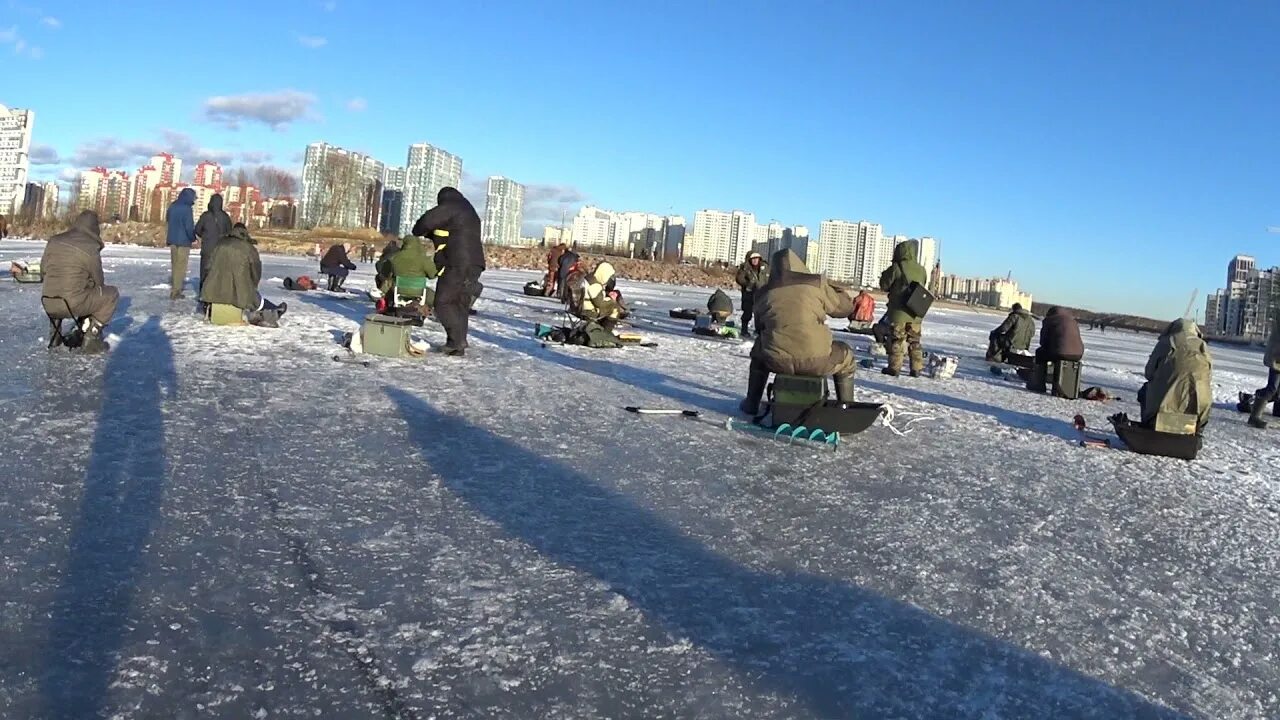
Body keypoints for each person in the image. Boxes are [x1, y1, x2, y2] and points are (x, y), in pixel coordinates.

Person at [741, 249, 856, 414]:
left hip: (776, 360)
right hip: (818, 360)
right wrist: (834, 290)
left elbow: (760, 327)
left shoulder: (763, 292)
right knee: (846, 356)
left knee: (759, 351)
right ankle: (846, 408)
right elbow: (845, 309)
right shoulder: (816, 284)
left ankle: (751, 403)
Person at [412, 186, 485, 356]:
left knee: (443, 302)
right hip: (475, 263)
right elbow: (454, 232)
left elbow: (426, 221)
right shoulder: (469, 211)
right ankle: (457, 343)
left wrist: (419, 231)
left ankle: (456, 341)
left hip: (458, 262)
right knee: (459, 304)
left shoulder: (452, 206)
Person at [40, 210, 118, 353]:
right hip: (72, 303)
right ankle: (91, 337)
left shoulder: (54, 240)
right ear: (95, 228)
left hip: (48, 302)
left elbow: (43, 270)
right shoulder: (90, 246)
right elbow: (99, 281)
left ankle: (55, 335)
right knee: (111, 294)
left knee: (59, 287)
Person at [200, 224, 287, 327]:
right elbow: (256, 272)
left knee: (245, 293)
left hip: (214, 290)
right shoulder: (248, 248)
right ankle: (272, 310)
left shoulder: (220, 245)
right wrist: (252, 286)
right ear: (245, 233)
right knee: (253, 298)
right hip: (238, 291)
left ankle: (269, 311)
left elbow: (207, 268)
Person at [1138, 318, 1211, 434]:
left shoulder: (1166, 342)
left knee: (1144, 391)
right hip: (1199, 403)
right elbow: (1208, 375)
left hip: (1164, 405)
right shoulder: (1203, 346)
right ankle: (1196, 431)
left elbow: (1149, 373)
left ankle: (1149, 425)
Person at [878, 241, 928, 376]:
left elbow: (884, 285)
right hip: (915, 312)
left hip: (898, 313)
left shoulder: (896, 267)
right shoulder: (922, 269)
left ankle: (894, 368)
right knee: (915, 341)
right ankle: (916, 368)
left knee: (897, 340)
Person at [1028, 306, 1084, 392]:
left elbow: (1043, 341)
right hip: (1077, 354)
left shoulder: (1050, 320)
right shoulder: (1073, 321)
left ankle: (1038, 384)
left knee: (1040, 353)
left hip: (1061, 352)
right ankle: (1068, 386)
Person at [384, 234, 438, 317]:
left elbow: (385, 273)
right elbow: (433, 275)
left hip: (398, 290)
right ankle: (422, 310)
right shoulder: (423, 258)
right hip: (418, 291)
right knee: (433, 296)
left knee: (389, 287)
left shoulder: (395, 257)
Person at [1247, 312, 1280, 429]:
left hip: (1277, 356)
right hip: (1277, 358)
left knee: (1277, 390)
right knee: (1272, 389)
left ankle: (1276, 410)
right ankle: (1254, 416)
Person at [195, 193, 232, 294]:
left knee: (204, 272)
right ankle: (216, 295)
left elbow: (197, 229)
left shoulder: (205, 215)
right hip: (221, 249)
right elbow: (230, 232)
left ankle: (203, 293)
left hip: (207, 248)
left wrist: (205, 236)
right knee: (218, 273)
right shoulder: (225, 217)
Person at [568, 262, 624, 328]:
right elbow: (600, 303)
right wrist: (612, 300)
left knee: (610, 306)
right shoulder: (594, 284)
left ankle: (600, 328)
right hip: (587, 311)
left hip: (579, 308)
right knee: (615, 308)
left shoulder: (589, 278)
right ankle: (606, 332)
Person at [164, 187, 197, 299]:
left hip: (172, 239)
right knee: (181, 266)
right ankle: (176, 291)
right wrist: (193, 238)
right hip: (184, 241)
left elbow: (167, 219)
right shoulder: (187, 209)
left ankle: (175, 287)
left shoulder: (172, 206)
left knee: (174, 265)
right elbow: (189, 226)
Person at [735, 251, 768, 338]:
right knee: (747, 312)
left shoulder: (766, 267)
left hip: (762, 293)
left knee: (761, 313)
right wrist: (748, 284)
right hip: (749, 294)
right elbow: (739, 278)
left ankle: (759, 331)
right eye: (753, 259)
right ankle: (744, 330)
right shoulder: (745, 268)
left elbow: (771, 278)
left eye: (756, 259)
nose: (755, 261)